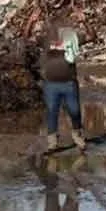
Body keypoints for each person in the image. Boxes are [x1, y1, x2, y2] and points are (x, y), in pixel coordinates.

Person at [38, 18, 86, 152]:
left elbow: (92, 36)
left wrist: (84, 21)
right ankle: (52, 142)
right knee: (52, 111)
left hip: (69, 83)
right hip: (51, 84)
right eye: (54, 28)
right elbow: (25, 37)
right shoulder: (46, 41)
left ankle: (77, 134)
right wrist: (31, 21)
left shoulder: (72, 39)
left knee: (74, 110)